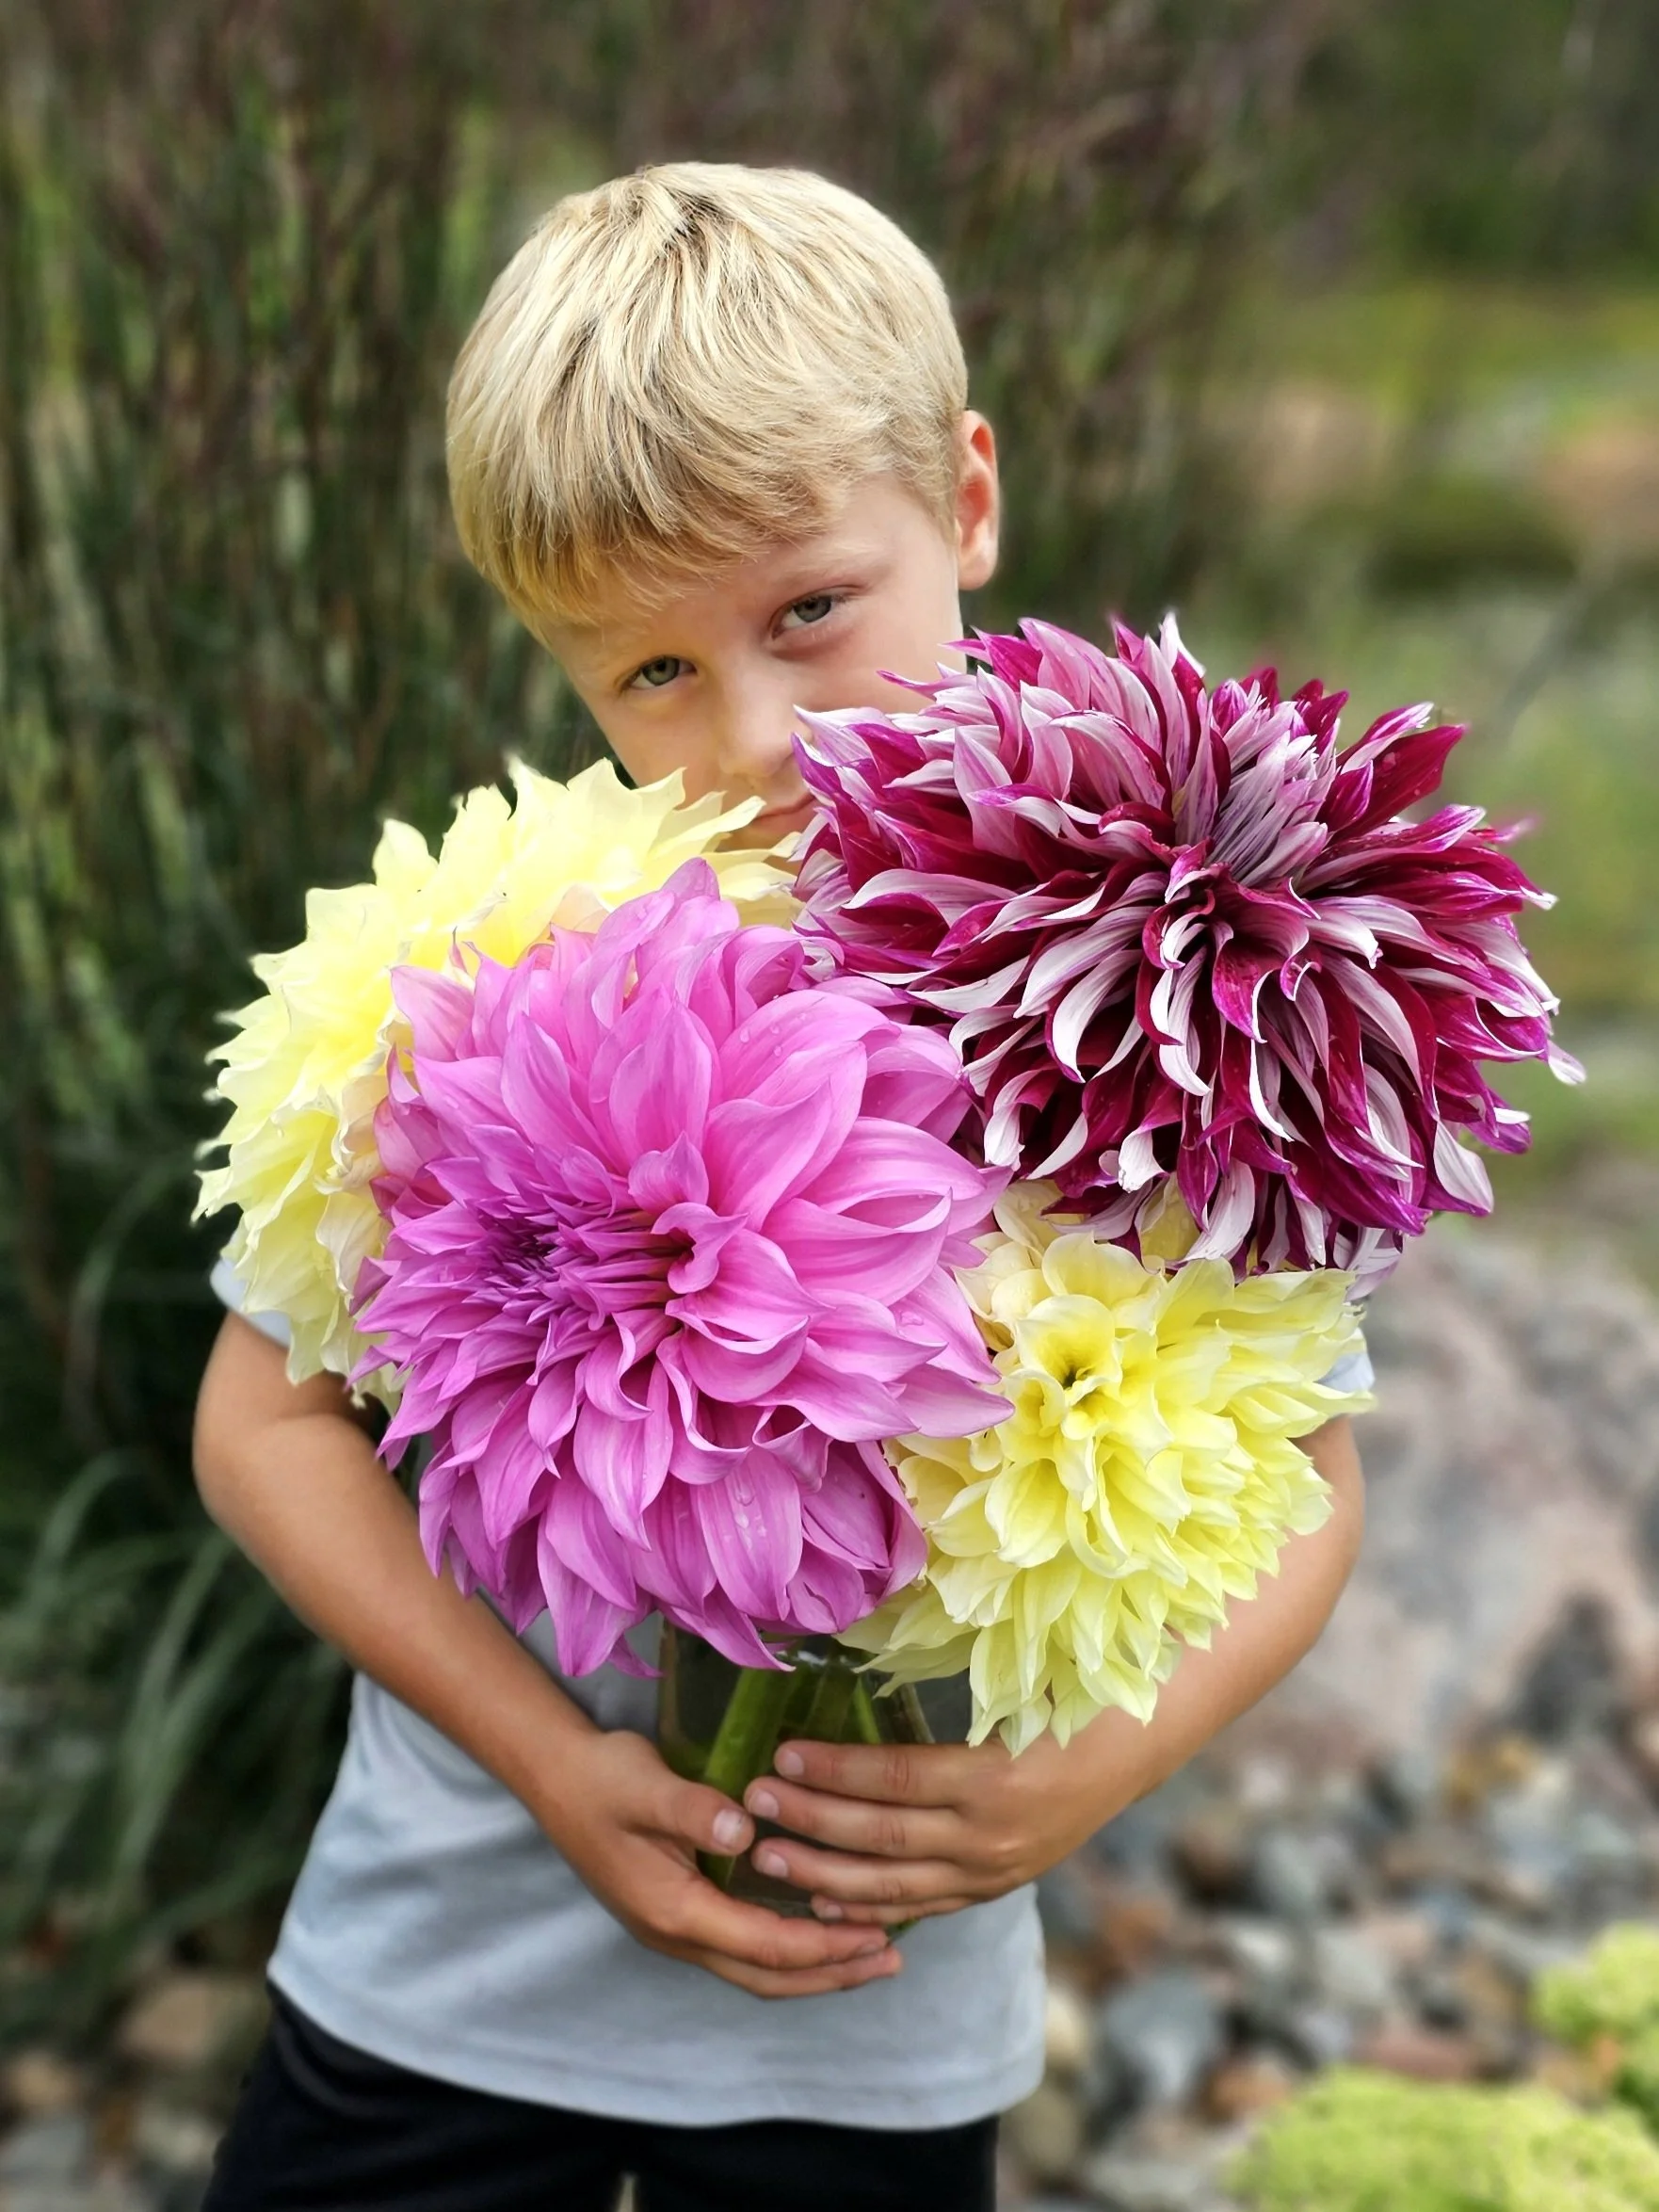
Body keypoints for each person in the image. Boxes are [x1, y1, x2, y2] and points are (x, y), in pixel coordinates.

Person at [193, 162, 1371, 2212]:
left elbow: (1314, 1489)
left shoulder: (1159, 990)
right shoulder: (495, 967)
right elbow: (258, 1415)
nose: (756, 737)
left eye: (808, 610)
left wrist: (1076, 1777)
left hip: (875, 2022)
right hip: (439, 1978)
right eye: (647, 675)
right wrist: (556, 1765)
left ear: (968, 497)